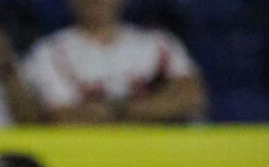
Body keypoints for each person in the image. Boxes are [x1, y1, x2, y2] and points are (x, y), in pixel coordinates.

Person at [21, 0, 207, 123]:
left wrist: (116, 111)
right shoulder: (48, 51)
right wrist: (151, 109)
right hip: (90, 154)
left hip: (160, 151)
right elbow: (63, 117)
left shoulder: (159, 42)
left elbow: (190, 97)